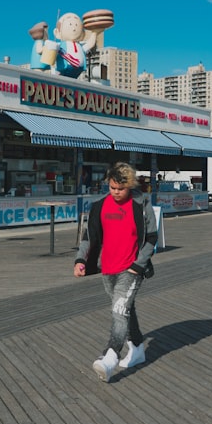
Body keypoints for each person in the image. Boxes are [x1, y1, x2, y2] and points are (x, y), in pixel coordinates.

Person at [74, 162, 158, 383]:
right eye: (112, 188)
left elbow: (151, 238)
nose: (116, 192)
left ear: (129, 185)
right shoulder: (99, 207)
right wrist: (81, 260)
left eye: (120, 188)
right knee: (124, 309)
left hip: (131, 268)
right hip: (107, 268)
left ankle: (109, 356)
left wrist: (138, 265)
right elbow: (88, 238)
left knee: (119, 310)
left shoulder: (141, 204)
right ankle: (138, 348)